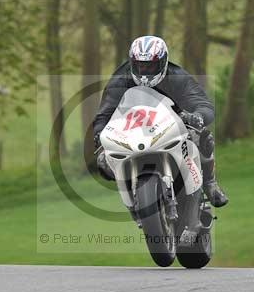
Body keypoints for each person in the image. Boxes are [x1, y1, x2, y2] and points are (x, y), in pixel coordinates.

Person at [92, 35, 228, 208]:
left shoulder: (178, 77)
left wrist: (197, 116)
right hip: (134, 130)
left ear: (163, 62)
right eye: (140, 65)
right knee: (103, 161)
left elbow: (203, 104)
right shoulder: (120, 80)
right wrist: (99, 133)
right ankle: (133, 200)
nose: (144, 71)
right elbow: (105, 112)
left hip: (172, 125)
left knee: (203, 136)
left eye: (150, 66)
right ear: (132, 62)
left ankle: (210, 183)